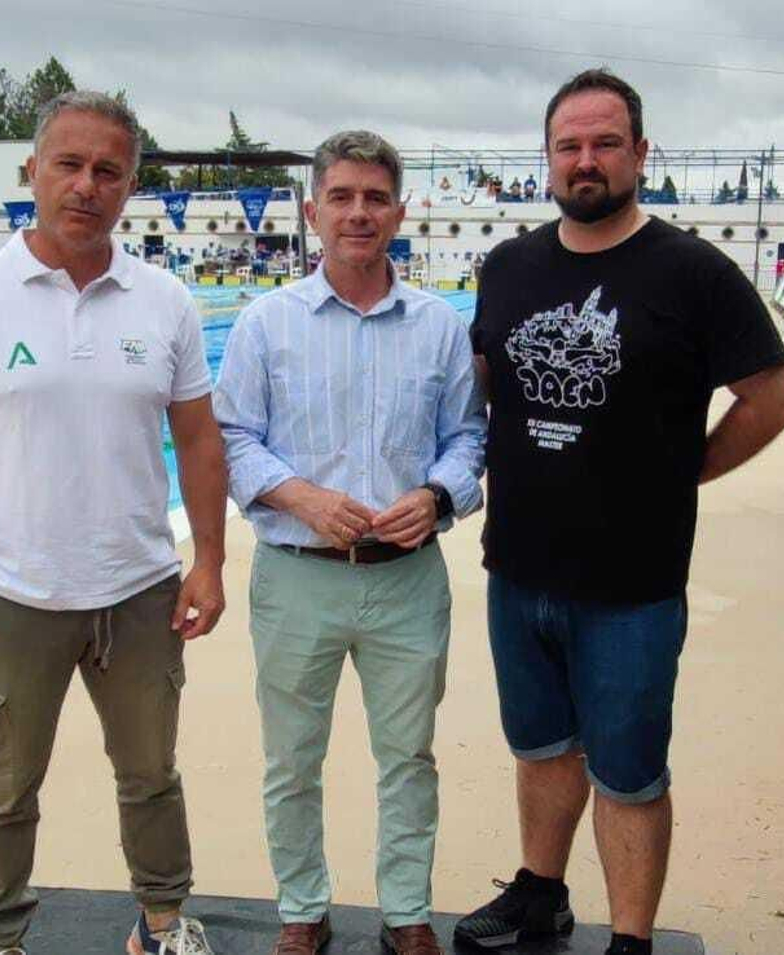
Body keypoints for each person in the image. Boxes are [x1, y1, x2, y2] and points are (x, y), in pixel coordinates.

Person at [461, 69, 784, 955]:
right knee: (539, 748)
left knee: (630, 773)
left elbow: (775, 395)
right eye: (569, 144)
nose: (586, 160)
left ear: (641, 153)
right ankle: (540, 891)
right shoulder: (509, 266)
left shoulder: (693, 271)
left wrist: (687, 470)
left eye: (605, 142)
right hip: (518, 568)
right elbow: (487, 386)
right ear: (546, 157)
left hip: (633, 585)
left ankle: (632, 939)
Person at [0, 90, 226, 955]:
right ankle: (0, 938)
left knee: (151, 776)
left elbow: (198, 440)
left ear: (130, 187)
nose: (87, 185)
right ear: (32, 172)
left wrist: (209, 562)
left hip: (139, 588)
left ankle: (163, 921)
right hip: (13, 592)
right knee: (5, 786)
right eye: (70, 164)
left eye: (108, 170)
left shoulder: (165, 301)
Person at [214, 129, 487, 955]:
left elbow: (469, 435)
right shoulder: (268, 323)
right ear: (314, 211)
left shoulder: (439, 326)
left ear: (399, 211)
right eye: (342, 196)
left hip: (406, 578)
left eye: (375, 197)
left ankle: (406, 911)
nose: (359, 213)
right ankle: (304, 905)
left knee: (409, 756)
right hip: (297, 575)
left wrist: (437, 495)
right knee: (291, 760)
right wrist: (298, 495)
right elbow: (231, 436)